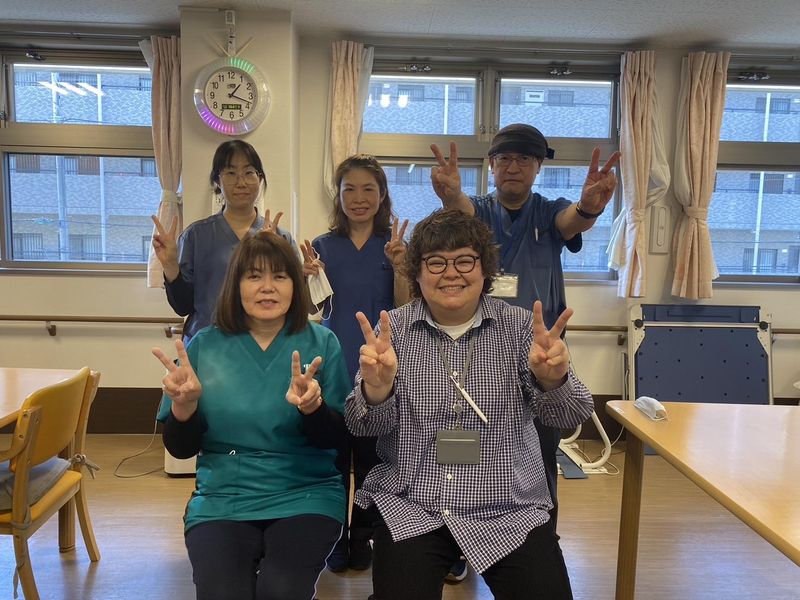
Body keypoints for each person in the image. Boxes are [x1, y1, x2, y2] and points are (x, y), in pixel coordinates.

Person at [347, 209, 594, 600]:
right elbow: (361, 426)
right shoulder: (394, 330)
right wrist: (377, 391)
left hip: (508, 507)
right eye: (436, 262)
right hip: (415, 504)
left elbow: (572, 413)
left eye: (464, 260)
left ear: (484, 269)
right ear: (417, 272)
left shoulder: (519, 327)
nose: (451, 273)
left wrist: (553, 380)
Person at [430, 125, 619, 580]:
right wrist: (451, 195)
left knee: (538, 451)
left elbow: (573, 220)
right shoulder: (479, 211)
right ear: (491, 166)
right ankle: (458, 546)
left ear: (537, 167)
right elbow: (461, 211)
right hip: (476, 352)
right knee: (463, 449)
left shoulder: (548, 211)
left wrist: (590, 206)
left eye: (523, 160)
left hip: (538, 355)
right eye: (504, 159)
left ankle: (538, 543)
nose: (512, 167)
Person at [152, 231, 351, 600]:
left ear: (295, 285)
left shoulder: (322, 343)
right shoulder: (205, 345)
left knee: (281, 590)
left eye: (280, 276)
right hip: (223, 496)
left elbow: (339, 438)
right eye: (254, 276)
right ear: (236, 284)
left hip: (305, 493)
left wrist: (313, 409)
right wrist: (184, 406)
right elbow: (180, 450)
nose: (267, 287)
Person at [301, 154, 409, 572]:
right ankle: (333, 541)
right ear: (339, 195)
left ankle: (362, 538)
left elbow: (405, 307)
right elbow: (312, 307)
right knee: (331, 462)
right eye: (350, 189)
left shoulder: (394, 246)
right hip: (333, 365)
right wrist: (308, 275)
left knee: (371, 462)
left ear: (382, 195)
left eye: (368, 189)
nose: (359, 198)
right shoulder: (323, 246)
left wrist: (401, 267)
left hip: (378, 372)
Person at [152, 139, 296, 343]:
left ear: (260, 178)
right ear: (217, 181)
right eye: (231, 173)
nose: (241, 182)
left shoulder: (280, 238)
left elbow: (292, 301)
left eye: (249, 172)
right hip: (207, 346)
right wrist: (170, 266)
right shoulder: (196, 236)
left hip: (263, 345)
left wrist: (300, 271)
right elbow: (182, 306)